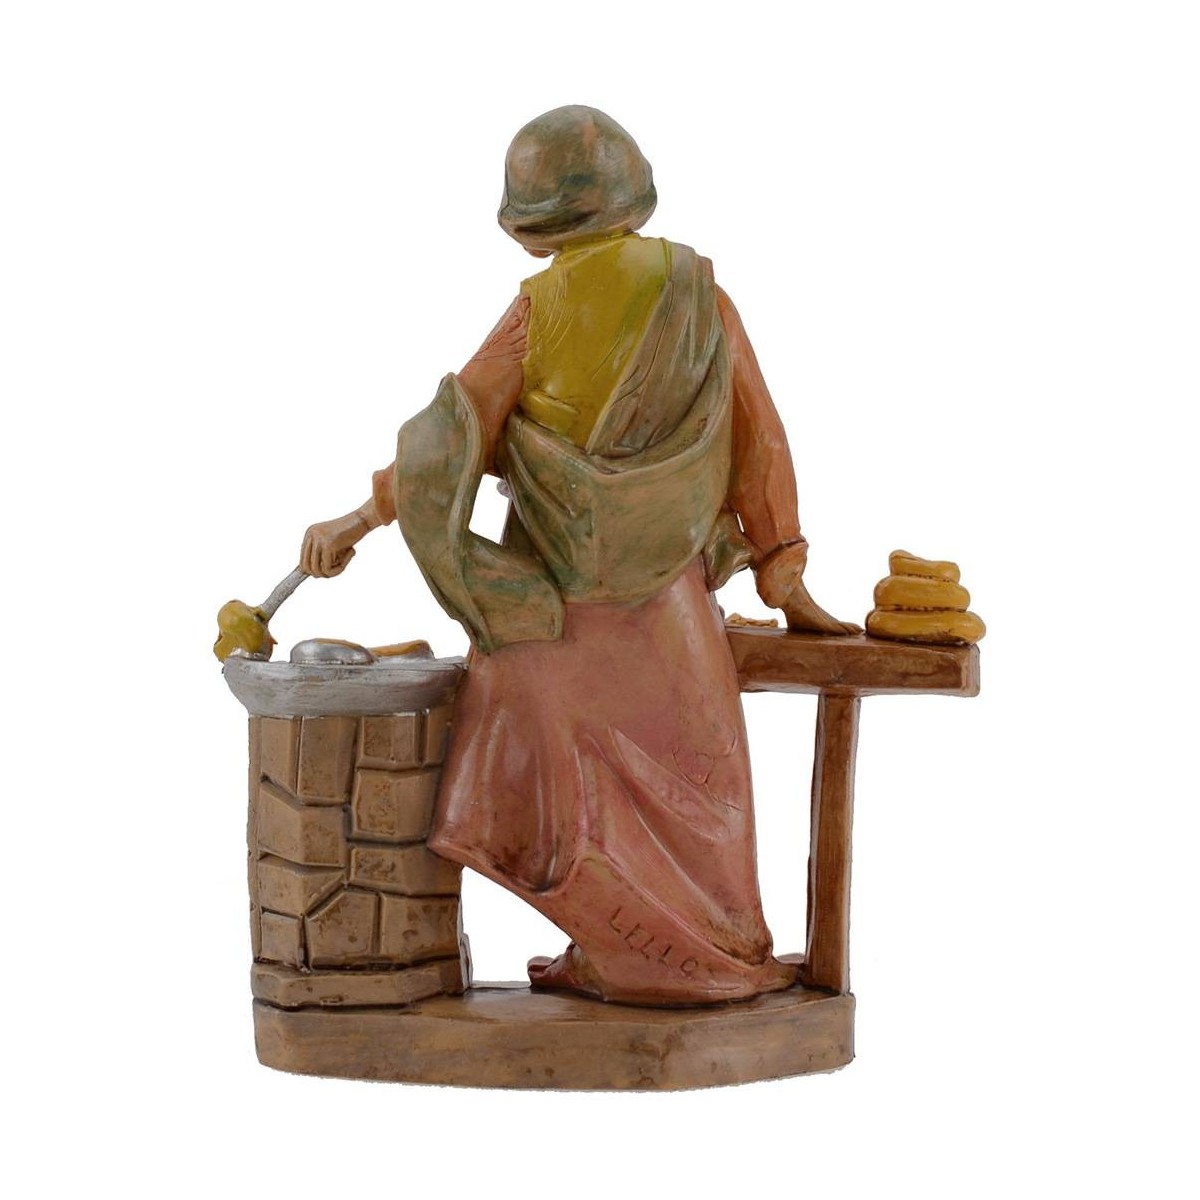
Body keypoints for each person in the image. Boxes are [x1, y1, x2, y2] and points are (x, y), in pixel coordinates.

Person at [301, 106, 857, 1005]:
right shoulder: (699, 297)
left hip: (558, 615)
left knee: (559, 790)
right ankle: (711, 954)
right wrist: (784, 575)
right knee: (705, 791)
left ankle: (622, 952)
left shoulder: (538, 311)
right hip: (670, 610)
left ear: (530, 223)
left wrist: (361, 518)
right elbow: (761, 442)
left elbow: (452, 437)